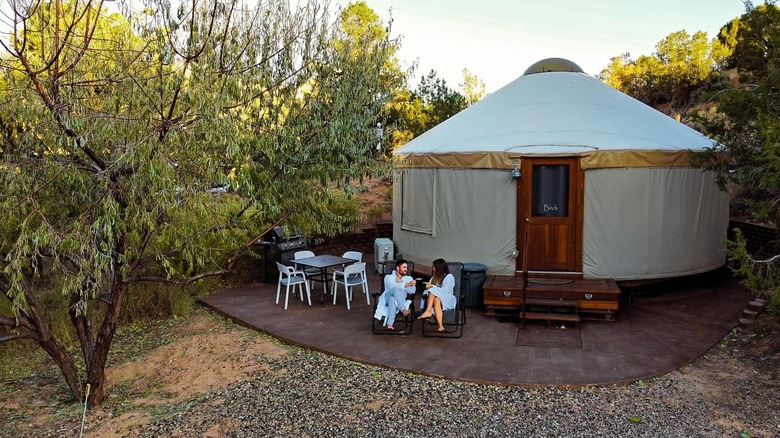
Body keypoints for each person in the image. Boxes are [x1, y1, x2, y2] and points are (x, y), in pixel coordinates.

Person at [374, 259, 417, 330]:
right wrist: (407, 284)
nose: (406, 269)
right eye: (404, 267)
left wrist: (402, 282)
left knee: (392, 299)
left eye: (406, 267)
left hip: (400, 300)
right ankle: (403, 310)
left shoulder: (409, 278)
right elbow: (391, 286)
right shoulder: (388, 277)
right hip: (387, 297)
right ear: (397, 268)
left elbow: (412, 291)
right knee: (394, 289)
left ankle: (389, 324)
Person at [417, 258, 456, 332]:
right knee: (436, 299)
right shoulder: (433, 278)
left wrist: (432, 287)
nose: (432, 269)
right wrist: (421, 307)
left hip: (448, 299)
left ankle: (428, 311)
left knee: (432, 291)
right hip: (436, 300)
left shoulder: (449, 277)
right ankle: (441, 326)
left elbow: (445, 291)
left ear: (438, 268)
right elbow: (426, 292)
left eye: (433, 267)